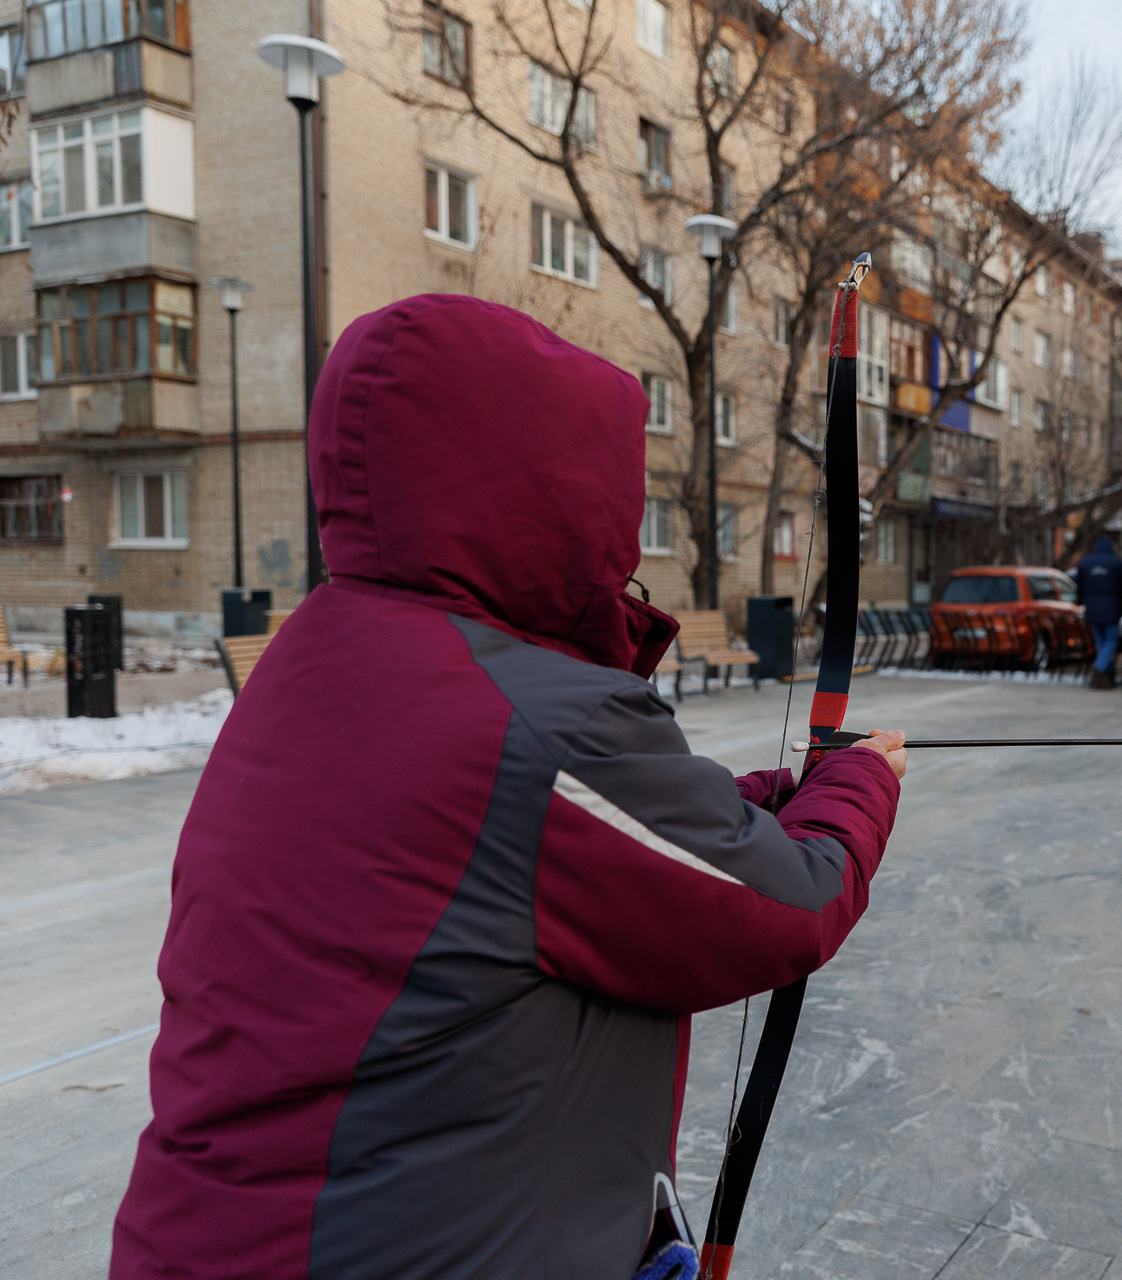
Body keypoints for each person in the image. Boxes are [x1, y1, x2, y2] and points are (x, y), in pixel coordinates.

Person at [110, 295, 910, 1279]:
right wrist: (864, 776)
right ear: (553, 491)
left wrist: (754, 798)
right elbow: (787, 897)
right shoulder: (537, 726)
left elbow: (513, 842)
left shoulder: (327, 655)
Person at [1072, 534, 1122, 689]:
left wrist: (1082, 602)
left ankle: (1108, 674)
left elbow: (1078, 588)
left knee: (1101, 642)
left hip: (1092, 609)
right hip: (1111, 609)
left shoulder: (1085, 563)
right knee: (1111, 641)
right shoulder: (1115, 563)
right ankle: (1100, 670)